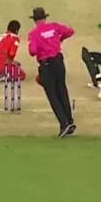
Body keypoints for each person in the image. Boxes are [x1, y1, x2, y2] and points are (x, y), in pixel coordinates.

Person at [27, 7, 76, 138]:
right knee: (62, 91)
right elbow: (70, 31)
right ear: (45, 18)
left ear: (34, 20)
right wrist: (59, 40)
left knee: (53, 95)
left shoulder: (34, 33)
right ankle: (69, 120)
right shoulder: (54, 27)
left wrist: (41, 46)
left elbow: (32, 51)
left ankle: (64, 124)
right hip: (59, 62)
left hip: (46, 65)